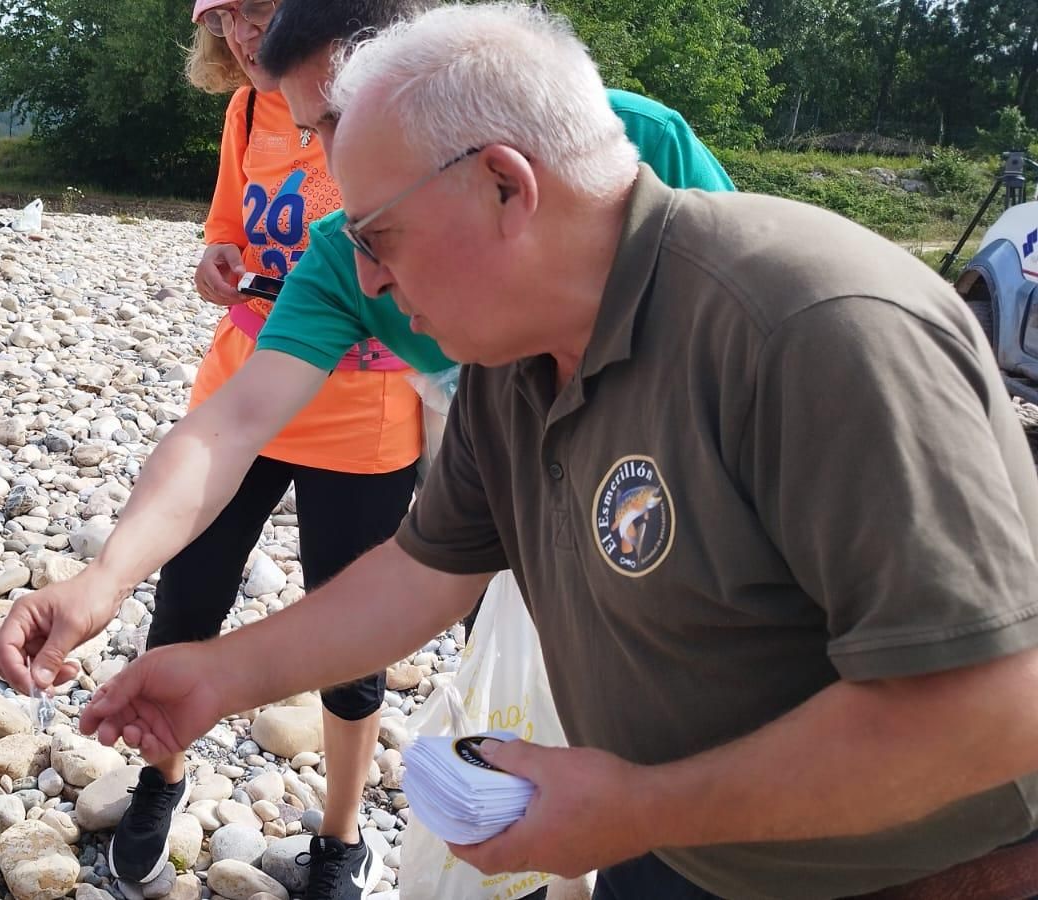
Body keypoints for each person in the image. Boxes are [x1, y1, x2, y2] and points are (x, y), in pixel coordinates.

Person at [79, 4, 1038, 900]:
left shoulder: (815, 326)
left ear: (506, 184)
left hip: (921, 871)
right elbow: (419, 576)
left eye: (380, 235)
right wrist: (214, 676)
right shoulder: (512, 350)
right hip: (670, 846)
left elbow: (993, 708)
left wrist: (640, 806)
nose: (363, 275)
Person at [0, 1, 731, 892]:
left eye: (340, 119)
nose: (333, 165)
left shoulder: (661, 182)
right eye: (313, 128)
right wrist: (120, 596)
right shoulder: (375, 282)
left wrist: (648, 807)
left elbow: (924, 712)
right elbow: (255, 444)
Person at [75, 1, 426, 893]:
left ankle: (341, 839)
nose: (241, 29)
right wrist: (216, 261)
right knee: (187, 598)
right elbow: (227, 229)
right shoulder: (245, 111)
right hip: (247, 379)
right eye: (221, 13)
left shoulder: (394, 108)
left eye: (261, 7)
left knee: (351, 638)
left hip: (366, 407)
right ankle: (162, 778)